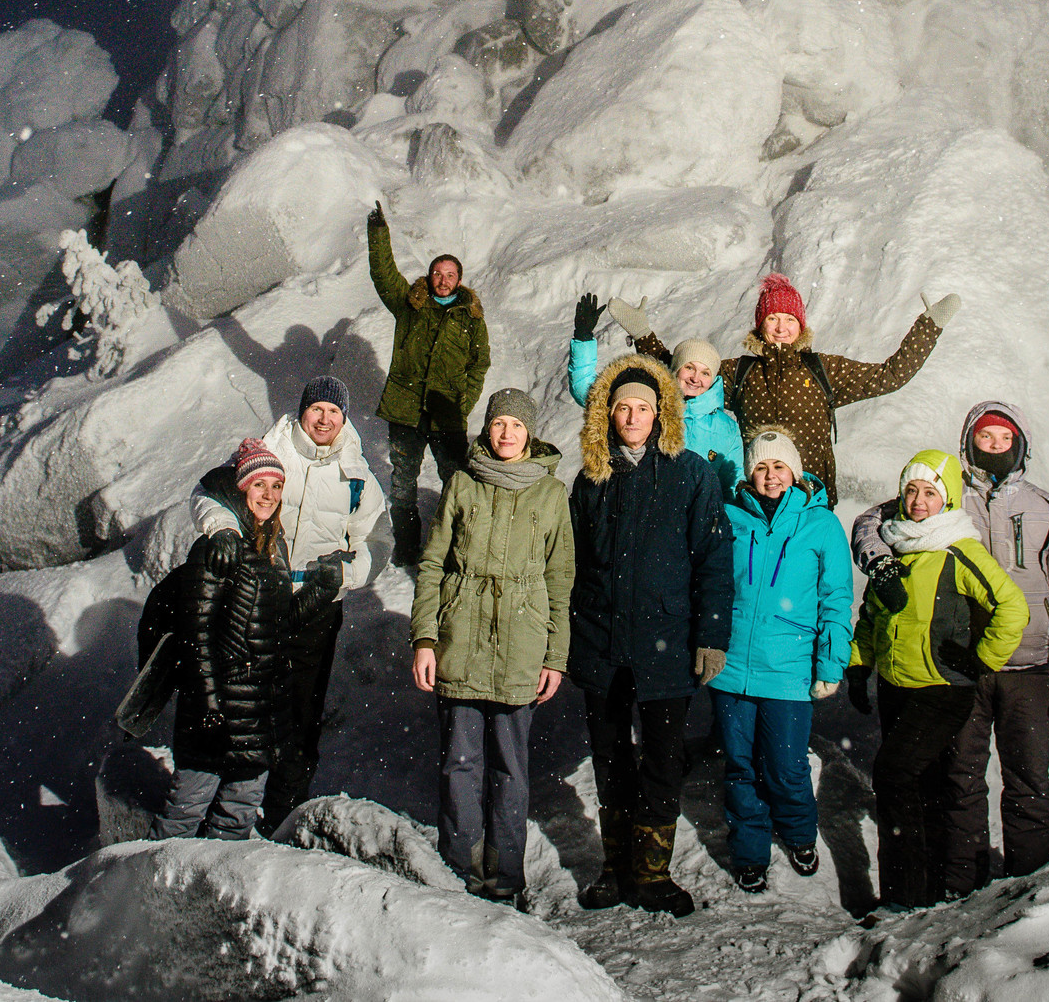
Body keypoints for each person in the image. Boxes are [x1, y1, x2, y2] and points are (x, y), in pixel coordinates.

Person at [850, 401, 1049, 881]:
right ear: (969, 444)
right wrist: (879, 562)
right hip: (960, 666)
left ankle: (1033, 886)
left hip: (1027, 667)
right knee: (960, 782)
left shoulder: (1045, 508)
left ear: (1020, 445)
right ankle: (962, 885)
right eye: (986, 439)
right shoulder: (947, 494)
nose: (995, 447)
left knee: (1029, 779)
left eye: (1005, 440)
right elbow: (870, 523)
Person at [568, 355, 733, 917]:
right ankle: (614, 868)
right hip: (600, 641)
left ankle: (652, 871)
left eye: (643, 407)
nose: (633, 416)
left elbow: (714, 559)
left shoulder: (691, 473)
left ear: (661, 412)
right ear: (607, 416)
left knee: (662, 760)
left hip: (667, 645)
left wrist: (711, 635)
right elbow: (570, 563)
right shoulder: (591, 478)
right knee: (610, 759)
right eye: (622, 408)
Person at [188, 375, 385, 826]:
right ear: (302, 411)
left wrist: (347, 573)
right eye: (316, 409)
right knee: (241, 704)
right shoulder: (270, 450)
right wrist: (222, 528)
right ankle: (224, 807)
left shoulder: (356, 475)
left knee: (299, 711)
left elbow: (378, 539)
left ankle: (281, 810)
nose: (323, 419)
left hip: (316, 605)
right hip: (256, 597)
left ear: (344, 418)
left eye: (333, 412)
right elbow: (208, 493)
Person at [409, 386, 573, 902]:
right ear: (488, 429)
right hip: (461, 643)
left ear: (531, 434)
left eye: (517, 426)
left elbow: (559, 577)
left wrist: (555, 656)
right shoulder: (462, 483)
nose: (507, 434)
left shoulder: (550, 493)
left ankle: (504, 880)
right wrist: (425, 639)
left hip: (522, 648)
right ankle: (459, 873)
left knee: (510, 767)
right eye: (500, 424)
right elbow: (433, 563)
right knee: (459, 763)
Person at [847, 450, 1027, 911]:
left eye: (930, 492)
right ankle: (923, 893)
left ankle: (902, 897)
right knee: (921, 786)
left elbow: (1013, 608)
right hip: (895, 687)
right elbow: (873, 613)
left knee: (893, 775)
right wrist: (859, 665)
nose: (918, 501)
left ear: (946, 499)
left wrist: (979, 660)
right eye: (911, 490)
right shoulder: (897, 543)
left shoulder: (958, 549)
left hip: (942, 690)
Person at [615, 273, 957, 500]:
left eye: (789, 319)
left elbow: (889, 376)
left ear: (801, 325)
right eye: (773, 319)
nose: (781, 328)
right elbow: (687, 375)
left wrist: (929, 326)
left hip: (811, 496)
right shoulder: (742, 372)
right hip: (755, 496)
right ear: (760, 324)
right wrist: (644, 334)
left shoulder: (825, 370)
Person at [711, 429, 853, 893]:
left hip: (789, 669)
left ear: (794, 470)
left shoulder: (821, 524)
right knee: (739, 766)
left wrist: (830, 663)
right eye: (761, 468)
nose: (770, 477)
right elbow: (708, 584)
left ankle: (797, 833)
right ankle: (749, 850)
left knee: (786, 766)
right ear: (749, 473)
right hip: (732, 667)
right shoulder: (730, 516)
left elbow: (836, 599)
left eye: (778, 467)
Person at [159, 438, 297, 840]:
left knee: (236, 818)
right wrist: (208, 702)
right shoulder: (216, 547)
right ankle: (144, 893)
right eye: (259, 485)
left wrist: (321, 590)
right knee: (182, 818)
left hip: (257, 712)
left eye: (276, 486)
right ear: (241, 488)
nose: (268, 495)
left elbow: (275, 627)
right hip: (218, 709)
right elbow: (196, 634)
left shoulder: (273, 548)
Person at [369, 202, 491, 565]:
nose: (442, 279)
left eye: (449, 274)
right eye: (437, 273)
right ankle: (407, 547)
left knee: (455, 483)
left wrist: (462, 404)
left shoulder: (471, 318)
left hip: (447, 415)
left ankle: (457, 548)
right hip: (405, 412)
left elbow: (479, 364)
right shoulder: (410, 305)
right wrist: (378, 234)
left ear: (459, 278)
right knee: (403, 485)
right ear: (429, 276)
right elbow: (383, 274)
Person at [569, 292, 744, 496]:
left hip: (699, 518)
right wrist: (583, 339)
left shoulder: (726, 428)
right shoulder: (650, 404)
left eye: (705, 373)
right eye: (689, 367)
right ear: (676, 368)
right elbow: (589, 393)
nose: (695, 378)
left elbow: (733, 484)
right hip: (649, 507)